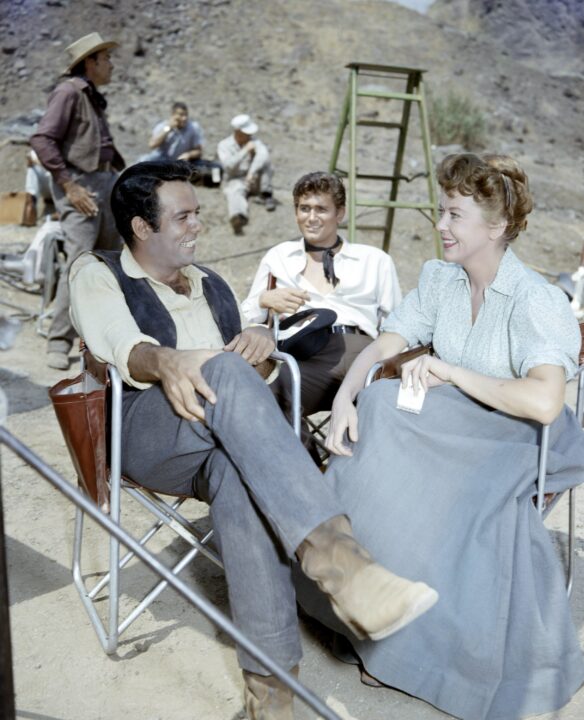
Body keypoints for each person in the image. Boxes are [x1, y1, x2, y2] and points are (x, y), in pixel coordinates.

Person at [67, 160, 437, 720]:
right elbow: (123, 345)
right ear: (142, 228)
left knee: (240, 482)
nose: (197, 226)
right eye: (183, 216)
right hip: (144, 428)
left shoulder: (212, 283)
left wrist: (262, 337)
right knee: (220, 371)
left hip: (215, 438)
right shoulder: (98, 272)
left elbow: (246, 385)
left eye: (197, 214)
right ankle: (343, 568)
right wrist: (165, 360)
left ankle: (270, 698)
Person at [297, 153, 584, 720]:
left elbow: (546, 401)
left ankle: (417, 645)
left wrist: (451, 372)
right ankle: (355, 596)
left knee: (436, 479)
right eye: (441, 212)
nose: (442, 226)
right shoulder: (440, 279)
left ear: (496, 227)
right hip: (455, 423)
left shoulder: (536, 299)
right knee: (379, 405)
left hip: (522, 434)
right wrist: (348, 397)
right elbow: (384, 346)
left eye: (455, 215)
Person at [242, 171, 402, 457]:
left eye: (321, 209)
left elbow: (397, 324)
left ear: (339, 213)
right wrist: (266, 299)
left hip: (361, 350)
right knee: (267, 399)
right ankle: (314, 474)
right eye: (304, 208)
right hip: (304, 354)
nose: (311, 217)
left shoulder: (374, 260)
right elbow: (249, 317)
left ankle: (355, 481)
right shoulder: (279, 257)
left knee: (385, 412)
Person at [30, 32, 125, 371]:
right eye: (106, 58)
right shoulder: (68, 92)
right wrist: (69, 187)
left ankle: (103, 340)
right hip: (82, 186)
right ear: (91, 62)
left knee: (110, 263)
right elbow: (42, 140)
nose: (112, 64)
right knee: (80, 264)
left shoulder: (90, 96)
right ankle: (58, 340)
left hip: (103, 181)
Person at [217, 113, 275, 235]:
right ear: (237, 131)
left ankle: (266, 194)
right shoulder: (224, 145)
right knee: (234, 192)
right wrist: (245, 151)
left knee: (267, 164)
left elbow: (263, 156)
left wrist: (252, 172)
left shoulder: (255, 141)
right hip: (236, 179)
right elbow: (228, 166)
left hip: (253, 178)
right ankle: (238, 217)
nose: (250, 135)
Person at [141, 101, 221, 186]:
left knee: (215, 168)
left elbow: (199, 151)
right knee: (143, 161)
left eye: (186, 115)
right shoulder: (163, 126)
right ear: (173, 115)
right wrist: (169, 128)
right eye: (181, 115)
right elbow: (152, 145)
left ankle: (214, 183)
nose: (184, 118)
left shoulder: (193, 128)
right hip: (162, 160)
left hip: (182, 162)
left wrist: (188, 154)